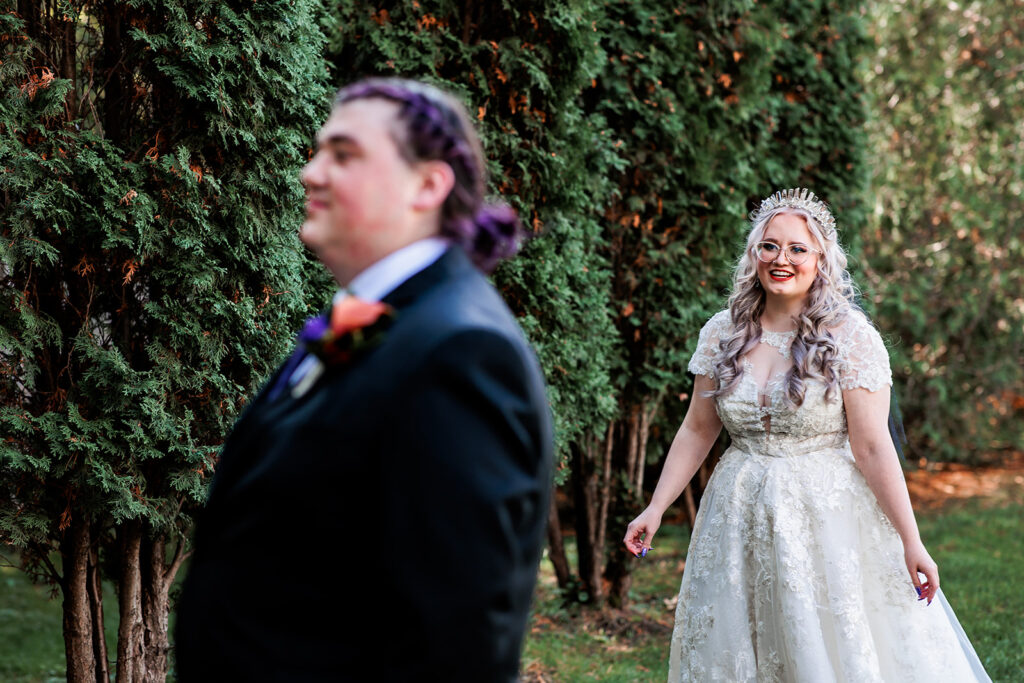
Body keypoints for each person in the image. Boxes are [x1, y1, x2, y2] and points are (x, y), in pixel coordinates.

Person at [175, 78, 553, 682]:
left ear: (427, 185)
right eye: (319, 150)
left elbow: (453, 645)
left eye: (343, 155)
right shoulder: (380, 320)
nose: (311, 173)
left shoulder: (461, 353)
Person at [624, 189, 991, 682]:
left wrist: (912, 540)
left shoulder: (851, 338)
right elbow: (697, 428)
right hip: (737, 511)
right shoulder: (721, 333)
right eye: (769, 246)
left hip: (825, 518)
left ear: (820, 259)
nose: (781, 259)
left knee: (821, 642)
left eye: (797, 248)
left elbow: (873, 446)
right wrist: (656, 506)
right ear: (754, 254)